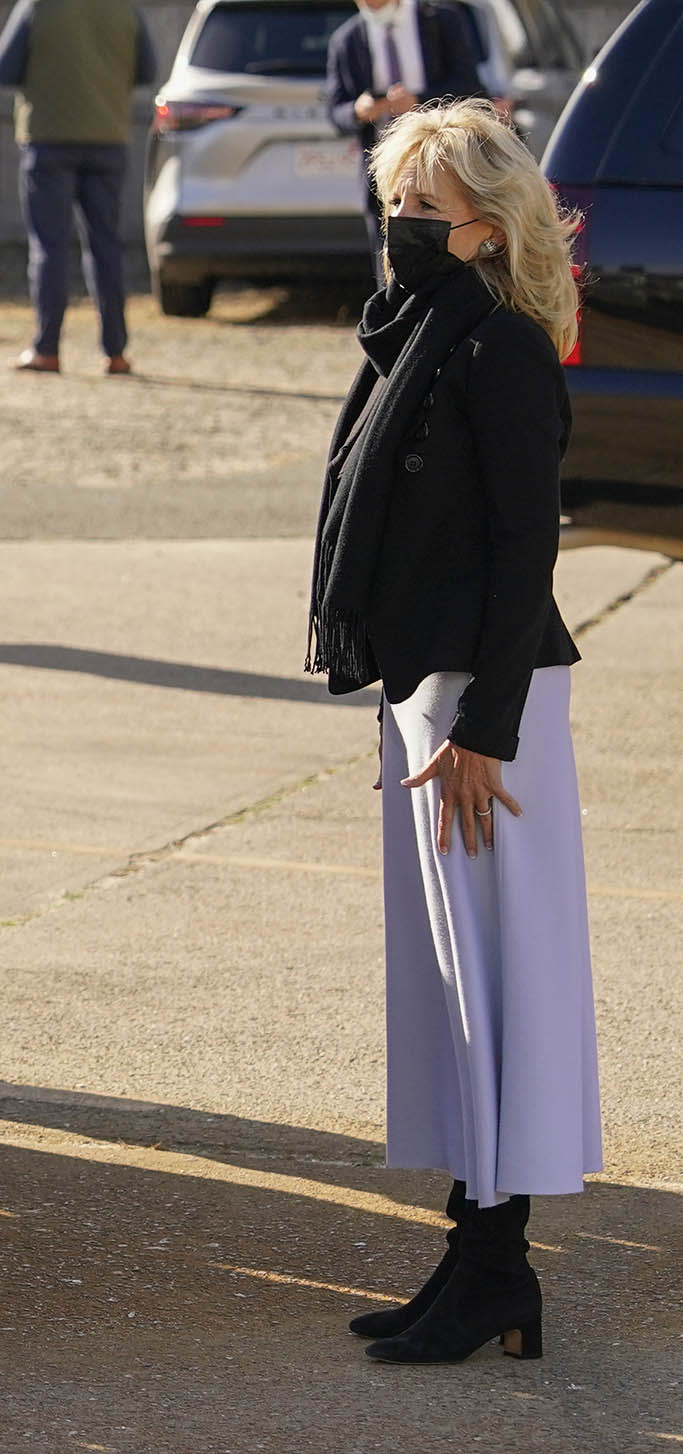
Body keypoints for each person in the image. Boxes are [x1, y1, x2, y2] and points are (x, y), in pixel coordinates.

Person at [305, 98, 602, 1366]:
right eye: (393, 207)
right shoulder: (417, 330)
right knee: (448, 995)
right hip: (426, 688)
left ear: (486, 229)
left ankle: (496, 1268)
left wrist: (486, 726)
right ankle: (470, 1255)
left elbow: (523, 547)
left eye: (424, 212)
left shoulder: (500, 348)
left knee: (497, 988)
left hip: (489, 704)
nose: (401, 229)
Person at [0, 0, 156, 374]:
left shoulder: (38, 5)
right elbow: (147, 70)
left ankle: (47, 348)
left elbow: (6, 69)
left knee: (50, 246)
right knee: (106, 246)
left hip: (49, 139)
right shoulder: (125, 8)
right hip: (109, 137)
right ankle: (115, 353)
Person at [327, 0, 484, 282]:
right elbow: (335, 111)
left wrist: (419, 102)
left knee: (448, 244)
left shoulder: (441, 20)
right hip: (386, 166)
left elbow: (470, 87)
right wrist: (358, 110)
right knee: (389, 253)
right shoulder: (347, 38)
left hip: (444, 159)